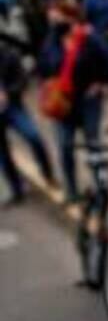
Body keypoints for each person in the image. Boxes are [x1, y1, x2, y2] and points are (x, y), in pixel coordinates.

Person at [37, 0, 108, 204]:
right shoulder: (51, 41)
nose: (54, 21)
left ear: (71, 17)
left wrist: (100, 83)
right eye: (51, 17)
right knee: (65, 146)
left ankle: (101, 190)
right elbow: (43, 67)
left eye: (57, 16)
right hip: (63, 103)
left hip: (88, 101)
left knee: (93, 146)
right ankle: (71, 191)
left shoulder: (89, 38)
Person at [1, 38, 57, 205]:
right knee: (3, 155)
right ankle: (16, 190)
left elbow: (22, 80)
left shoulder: (8, 54)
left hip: (12, 107)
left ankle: (48, 174)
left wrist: (7, 94)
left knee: (33, 137)